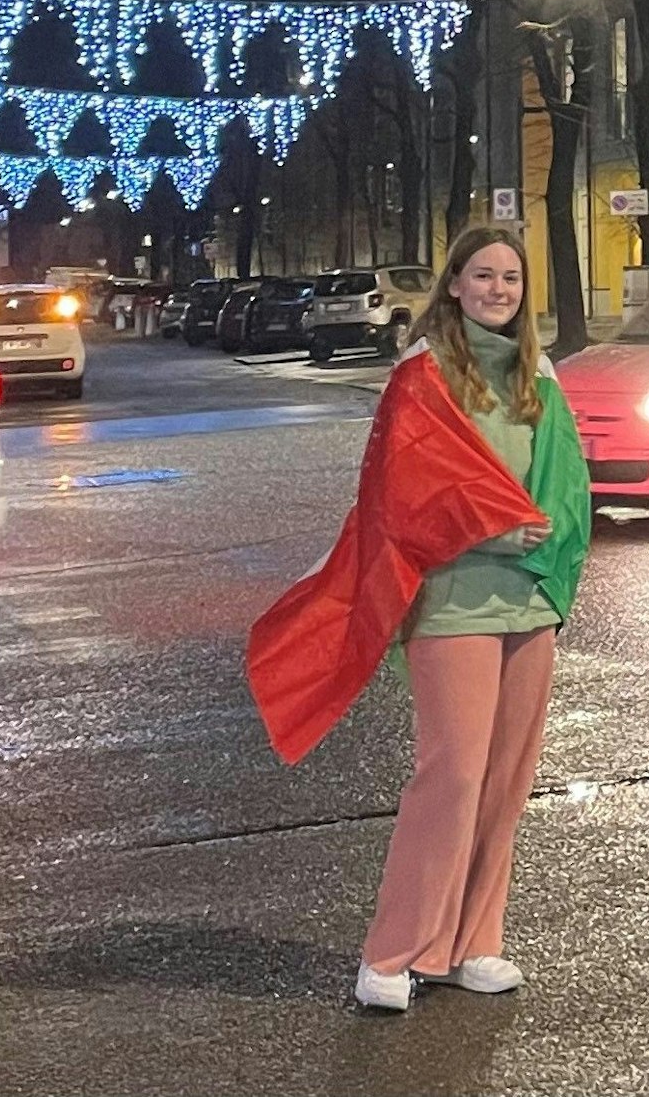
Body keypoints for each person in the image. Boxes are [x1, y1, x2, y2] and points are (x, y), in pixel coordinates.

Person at [243, 226, 591, 1014]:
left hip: (528, 599)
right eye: (484, 275)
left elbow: (566, 484)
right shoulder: (423, 372)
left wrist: (548, 553)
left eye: (511, 277)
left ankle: (474, 943)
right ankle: (394, 953)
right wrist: (498, 529)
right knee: (453, 774)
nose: (499, 289)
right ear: (455, 284)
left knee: (506, 781)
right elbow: (406, 492)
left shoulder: (540, 375)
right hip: (453, 600)